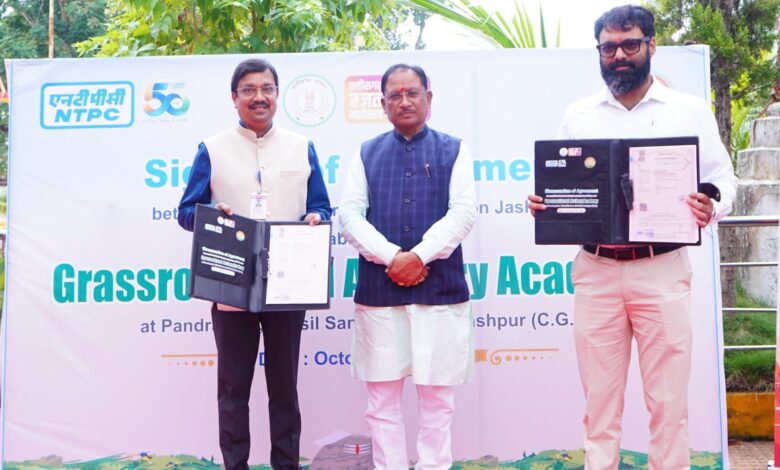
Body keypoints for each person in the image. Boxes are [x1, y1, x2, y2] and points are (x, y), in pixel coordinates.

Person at [528, 5, 737, 469]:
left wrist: (712, 202)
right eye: (609, 48)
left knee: (669, 406)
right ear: (599, 52)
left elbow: (725, 180)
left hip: (661, 269)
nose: (619, 55)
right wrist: (545, 203)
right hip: (596, 271)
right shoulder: (579, 114)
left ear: (651, 46)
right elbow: (561, 183)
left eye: (630, 44)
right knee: (599, 408)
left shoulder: (688, 110)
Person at [177, 58, 332, 470]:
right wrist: (212, 216)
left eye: (267, 89)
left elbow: (321, 205)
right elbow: (186, 211)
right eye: (248, 90)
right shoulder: (212, 149)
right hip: (230, 282)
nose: (258, 97)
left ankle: (286, 465)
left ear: (277, 95)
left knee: (285, 388)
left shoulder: (302, 147)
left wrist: (316, 217)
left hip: (288, 282)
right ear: (234, 98)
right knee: (233, 389)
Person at [338, 64, 477, 470]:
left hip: (440, 291)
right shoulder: (366, 153)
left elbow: (463, 212)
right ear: (382, 104)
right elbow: (349, 215)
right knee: (381, 404)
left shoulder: (455, 150)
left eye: (412, 93)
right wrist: (392, 257)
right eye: (394, 96)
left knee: (437, 402)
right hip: (380, 292)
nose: (404, 102)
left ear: (428, 99)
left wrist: (418, 257)